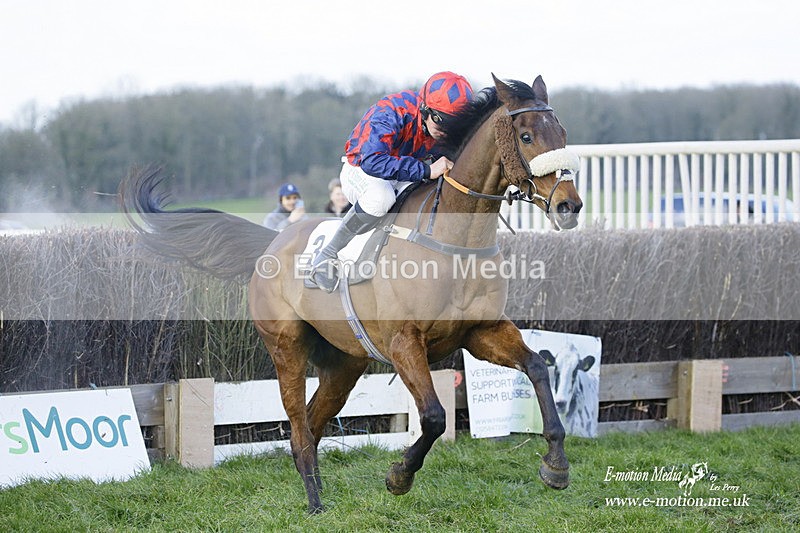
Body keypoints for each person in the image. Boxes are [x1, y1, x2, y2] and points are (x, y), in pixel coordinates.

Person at [310, 71, 474, 292]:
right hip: (361, 168)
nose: (446, 131)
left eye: (454, 125)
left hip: (400, 174)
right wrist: (426, 170)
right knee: (381, 198)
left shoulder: (438, 124)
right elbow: (372, 161)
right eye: (441, 121)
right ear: (425, 109)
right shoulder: (392, 111)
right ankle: (326, 255)